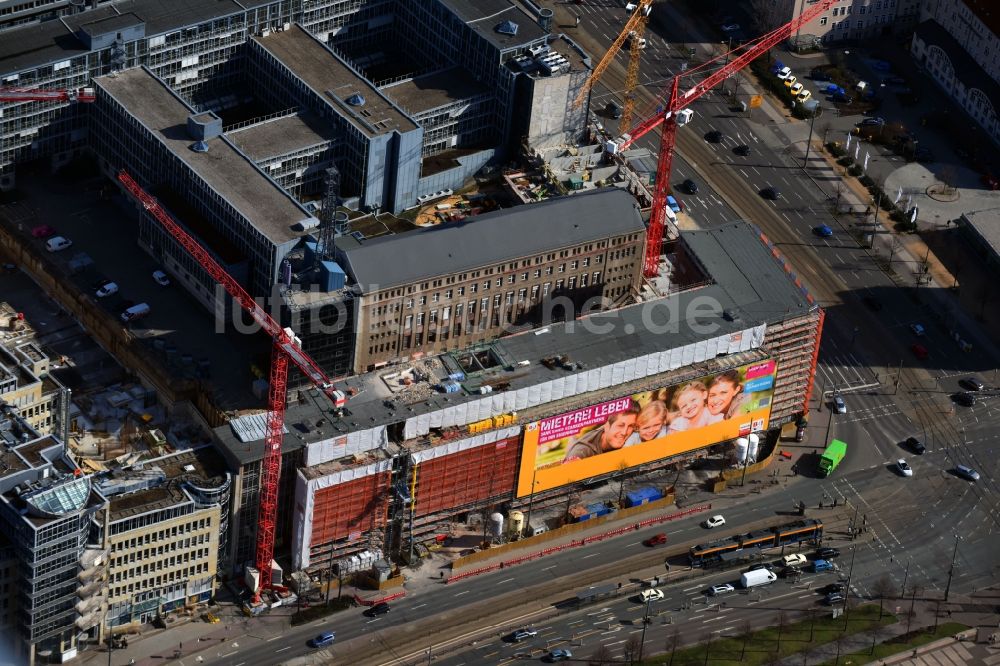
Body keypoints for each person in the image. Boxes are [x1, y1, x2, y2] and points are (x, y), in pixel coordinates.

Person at [562, 401, 640, 461]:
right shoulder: (582, 452)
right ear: (606, 426)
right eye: (620, 425)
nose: (624, 432)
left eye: (630, 426)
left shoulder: (635, 435)